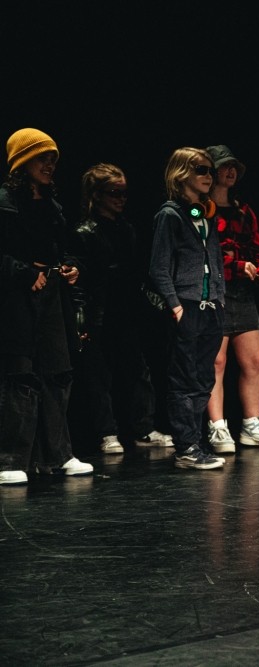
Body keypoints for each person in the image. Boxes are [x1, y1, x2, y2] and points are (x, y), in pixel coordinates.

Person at [0, 128, 93, 485]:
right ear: (22, 162)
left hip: (52, 295)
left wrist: (71, 266)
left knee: (58, 372)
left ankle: (56, 455)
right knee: (20, 375)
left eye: (52, 159)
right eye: (42, 158)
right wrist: (24, 273)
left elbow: (65, 249)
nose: (49, 165)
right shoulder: (5, 204)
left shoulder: (53, 206)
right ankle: (11, 459)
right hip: (16, 297)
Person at [69, 163, 173, 455]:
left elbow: (135, 273)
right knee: (98, 376)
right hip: (98, 314)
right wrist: (80, 321)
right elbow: (80, 281)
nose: (121, 199)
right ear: (97, 194)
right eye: (114, 192)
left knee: (138, 371)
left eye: (124, 193)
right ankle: (107, 433)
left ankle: (143, 429)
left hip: (126, 313)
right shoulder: (83, 232)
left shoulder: (127, 229)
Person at [203, 145, 259, 454]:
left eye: (234, 167)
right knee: (216, 361)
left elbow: (258, 249)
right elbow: (204, 254)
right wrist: (238, 266)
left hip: (242, 293)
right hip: (214, 291)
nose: (230, 172)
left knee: (254, 360)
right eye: (224, 166)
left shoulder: (243, 211)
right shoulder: (201, 211)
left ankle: (252, 423)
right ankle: (217, 426)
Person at [148, 147, 226, 470]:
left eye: (210, 171)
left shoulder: (205, 214)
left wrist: (220, 298)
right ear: (182, 174)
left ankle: (195, 440)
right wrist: (176, 306)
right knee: (184, 378)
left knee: (204, 378)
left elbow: (214, 259)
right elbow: (158, 268)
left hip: (211, 307)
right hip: (187, 306)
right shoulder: (170, 215)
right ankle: (186, 446)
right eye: (201, 170)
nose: (209, 176)